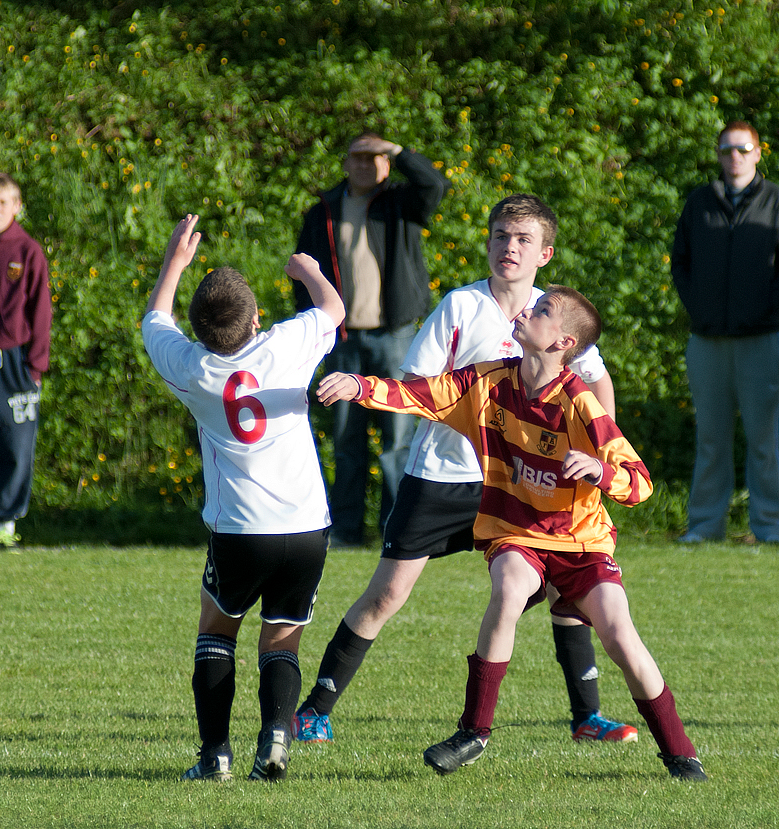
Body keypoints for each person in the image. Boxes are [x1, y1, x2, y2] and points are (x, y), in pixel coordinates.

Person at [317, 285, 707, 782]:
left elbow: (640, 482)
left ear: (563, 342)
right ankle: (473, 733)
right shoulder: (487, 381)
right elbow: (419, 395)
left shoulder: (579, 402)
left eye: (542, 311)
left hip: (581, 542)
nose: (527, 310)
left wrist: (600, 471)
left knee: (620, 635)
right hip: (517, 533)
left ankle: (680, 754)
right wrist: (359, 386)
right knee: (508, 590)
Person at [294, 195, 637, 746]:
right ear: (488, 242)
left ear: (544, 254)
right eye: (501, 235)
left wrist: (597, 452)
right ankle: (314, 710)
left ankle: (586, 718)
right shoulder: (461, 306)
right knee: (387, 594)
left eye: (523, 239)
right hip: (443, 478)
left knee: (566, 587)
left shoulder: (554, 316)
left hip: (523, 487)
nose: (510, 247)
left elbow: (595, 379)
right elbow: (419, 387)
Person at [141, 215, 345, 783]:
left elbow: (155, 320)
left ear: (198, 330)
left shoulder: (193, 368)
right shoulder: (286, 346)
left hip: (239, 529)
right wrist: (309, 271)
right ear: (257, 319)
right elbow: (334, 310)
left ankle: (215, 757)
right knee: (282, 637)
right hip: (306, 525)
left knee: (216, 631)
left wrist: (174, 263)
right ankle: (275, 737)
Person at [294, 132, 451, 545]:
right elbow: (303, 274)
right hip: (342, 339)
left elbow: (435, 184)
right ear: (346, 163)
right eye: (358, 157)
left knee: (398, 440)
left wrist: (399, 151)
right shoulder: (323, 211)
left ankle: (395, 531)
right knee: (347, 439)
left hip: (394, 336)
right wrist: (313, 327)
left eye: (374, 157)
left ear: (386, 164)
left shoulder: (401, 202)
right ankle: (346, 532)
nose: (365, 165)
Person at [671, 120, 779, 543]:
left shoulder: (775, 201)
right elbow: (681, 262)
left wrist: (767, 311)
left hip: (764, 340)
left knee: (767, 440)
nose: (735, 156)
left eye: (743, 149)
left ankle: (770, 527)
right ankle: (704, 526)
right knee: (711, 439)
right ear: (718, 155)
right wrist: (699, 307)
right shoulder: (700, 202)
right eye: (727, 149)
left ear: (758, 152)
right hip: (708, 340)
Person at [0, 172, 51, 549]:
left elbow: (41, 312)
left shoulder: (28, 251)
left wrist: (36, 365)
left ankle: (3, 523)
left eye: (3, 202)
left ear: (17, 206)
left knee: (14, 445)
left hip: (12, 363)